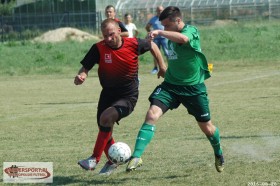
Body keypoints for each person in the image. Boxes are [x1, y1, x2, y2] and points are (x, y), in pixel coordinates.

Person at [126, 6, 225, 173]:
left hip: (193, 88)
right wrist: (162, 66)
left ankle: (218, 152)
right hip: (171, 85)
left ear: (178, 21)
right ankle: (136, 156)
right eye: (162, 26)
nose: (164, 29)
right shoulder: (170, 33)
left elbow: (183, 39)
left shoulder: (191, 31)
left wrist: (159, 32)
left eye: (167, 26)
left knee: (207, 128)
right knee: (151, 114)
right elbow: (159, 48)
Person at [74, 18, 166, 176]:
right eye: (105, 36)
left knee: (105, 119)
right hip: (107, 94)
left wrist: (162, 66)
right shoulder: (98, 48)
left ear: (119, 31)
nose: (108, 39)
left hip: (128, 96)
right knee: (104, 126)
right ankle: (113, 161)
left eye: (111, 34)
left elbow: (153, 45)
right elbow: (86, 66)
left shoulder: (134, 43)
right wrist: (82, 74)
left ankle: (94, 159)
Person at [145, 6, 169, 74]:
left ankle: (170, 68)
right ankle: (155, 68)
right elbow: (147, 27)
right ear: (156, 11)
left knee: (168, 53)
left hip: (165, 38)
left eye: (161, 10)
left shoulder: (166, 18)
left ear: (163, 10)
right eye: (158, 10)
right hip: (156, 39)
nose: (160, 12)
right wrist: (151, 32)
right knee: (155, 54)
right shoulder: (153, 19)